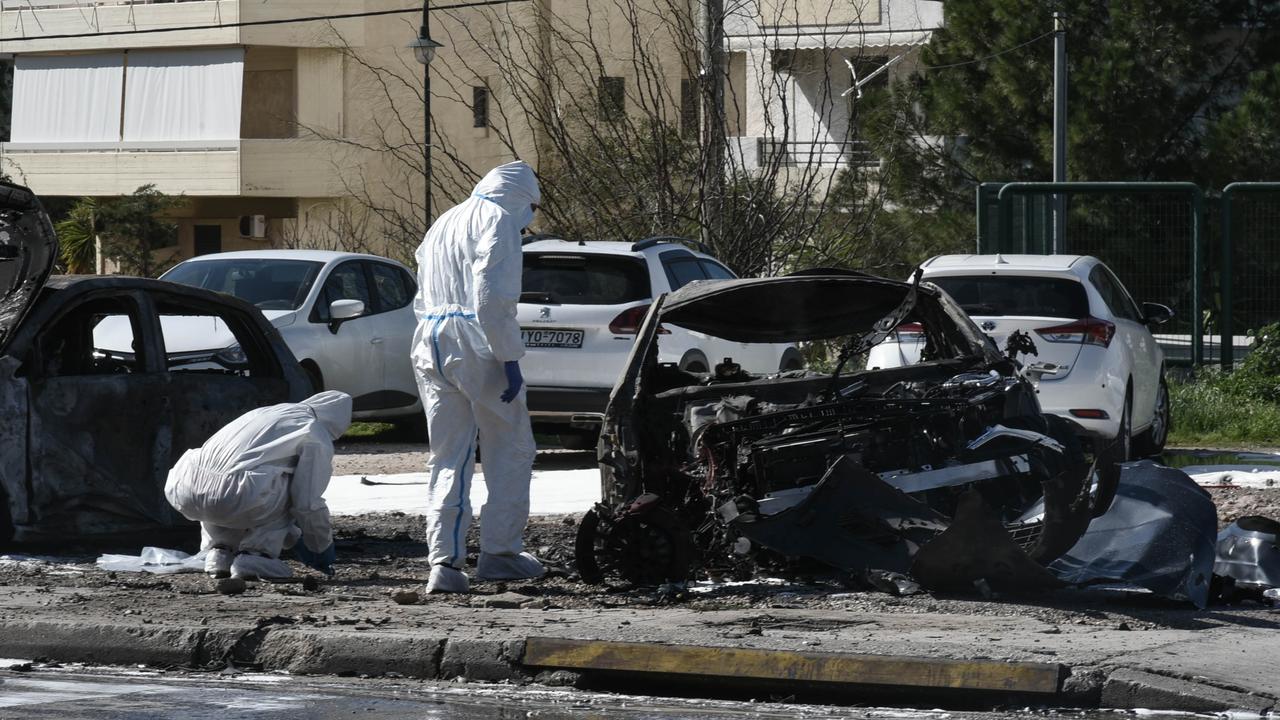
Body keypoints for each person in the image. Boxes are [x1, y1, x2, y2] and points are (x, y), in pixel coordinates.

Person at [412, 160, 545, 594]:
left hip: (429, 338)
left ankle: (444, 564)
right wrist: (508, 357)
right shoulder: (500, 220)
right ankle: (501, 553)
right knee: (510, 446)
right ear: (522, 200)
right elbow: (492, 297)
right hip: (476, 340)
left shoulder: (444, 221)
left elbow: (421, 292)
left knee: (448, 455)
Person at [164, 391, 352, 580]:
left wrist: (294, 538)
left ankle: (220, 553)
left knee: (229, 478)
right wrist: (320, 547)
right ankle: (257, 558)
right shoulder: (314, 431)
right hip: (236, 496)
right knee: (289, 486)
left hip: (186, 485)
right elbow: (307, 502)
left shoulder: (266, 413)